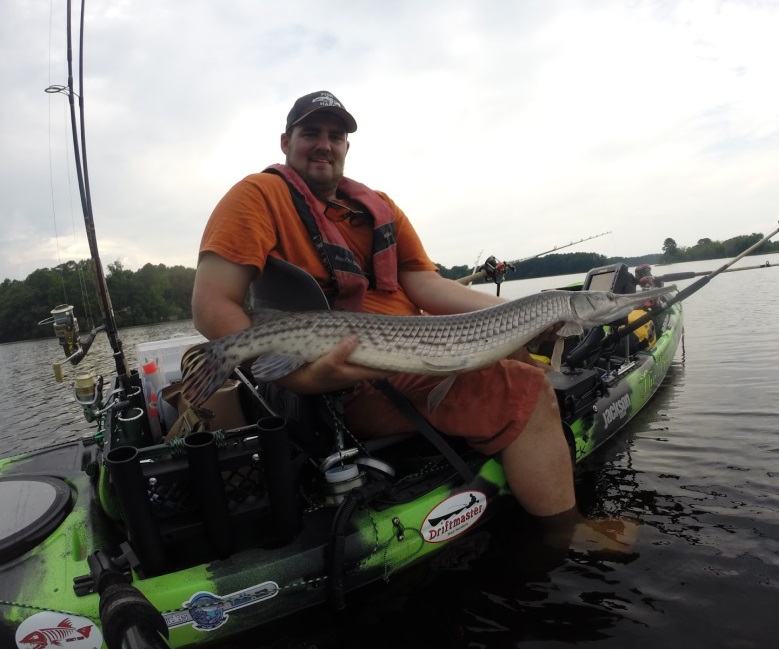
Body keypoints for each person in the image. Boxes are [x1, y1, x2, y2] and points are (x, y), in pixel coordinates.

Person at [191, 90, 575, 520]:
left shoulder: (379, 208)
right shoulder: (258, 195)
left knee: (523, 355)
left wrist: (521, 315)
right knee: (531, 390)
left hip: (412, 350)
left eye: (335, 136)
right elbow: (211, 305)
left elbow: (426, 284)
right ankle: (563, 533)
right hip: (350, 383)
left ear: (346, 148)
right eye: (310, 132)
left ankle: (523, 449)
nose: (324, 144)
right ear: (285, 142)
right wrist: (306, 378)